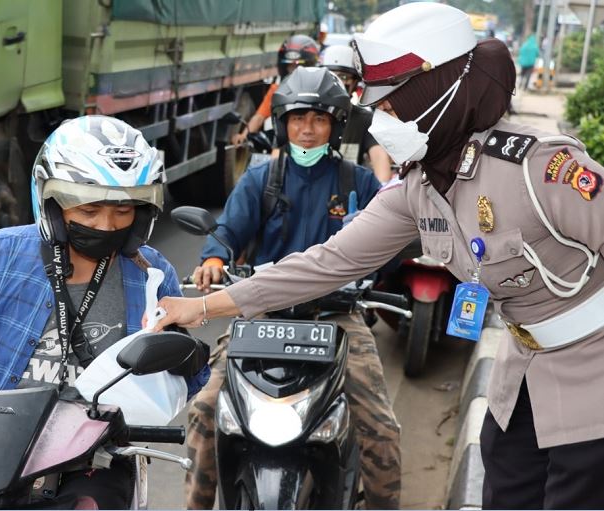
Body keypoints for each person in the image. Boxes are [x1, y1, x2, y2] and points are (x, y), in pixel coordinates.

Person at [151, 2, 604, 509]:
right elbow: (327, 261)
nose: (380, 123)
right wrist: (203, 306)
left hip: (592, 373)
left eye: (389, 108)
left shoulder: (538, 168)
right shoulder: (418, 188)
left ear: (436, 94)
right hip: (519, 372)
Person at [0, 116, 210, 509]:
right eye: (90, 209)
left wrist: (187, 355)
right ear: (53, 203)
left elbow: (188, 378)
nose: (106, 225)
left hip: (93, 458)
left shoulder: (151, 273)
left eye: (122, 211)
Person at [185, 66, 401, 510]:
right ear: (282, 123)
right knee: (205, 411)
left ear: (335, 126)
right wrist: (213, 258)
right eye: (297, 118)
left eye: (319, 119)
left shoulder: (359, 183)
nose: (307, 129)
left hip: (338, 318)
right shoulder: (262, 178)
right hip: (261, 314)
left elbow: (390, 242)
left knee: (380, 428)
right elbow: (229, 230)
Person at [321, 44, 394, 184]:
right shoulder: (306, 114)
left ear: (355, 82)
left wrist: (379, 196)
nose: (337, 82)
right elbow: (289, 155)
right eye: (330, 75)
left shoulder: (364, 119)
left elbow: (381, 166)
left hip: (348, 194)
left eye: (343, 76)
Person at [231, 34, 320, 145]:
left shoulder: (321, 91)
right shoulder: (278, 91)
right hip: (286, 148)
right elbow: (259, 116)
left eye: (298, 66)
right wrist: (244, 135)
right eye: (290, 66)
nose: (293, 71)